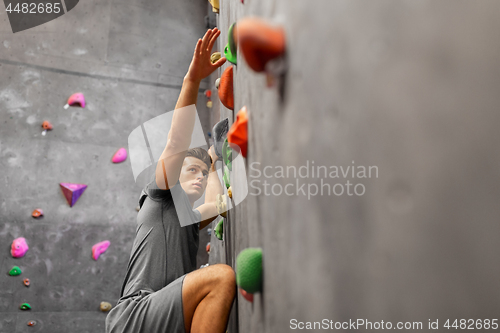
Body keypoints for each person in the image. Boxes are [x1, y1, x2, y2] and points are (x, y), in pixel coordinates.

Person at [106, 28, 236, 333]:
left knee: (218, 280)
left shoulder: (186, 219)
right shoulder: (158, 194)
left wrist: (214, 159)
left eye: (201, 174)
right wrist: (192, 80)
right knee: (220, 278)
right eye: (191, 170)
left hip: (158, 314)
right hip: (135, 313)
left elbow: (216, 205)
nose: (200, 178)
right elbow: (177, 140)